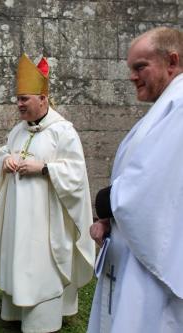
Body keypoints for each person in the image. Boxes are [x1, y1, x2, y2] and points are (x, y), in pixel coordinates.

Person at [0, 54, 95, 333]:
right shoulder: (18, 130)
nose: (19, 104)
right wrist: (4, 161)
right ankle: (17, 313)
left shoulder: (63, 132)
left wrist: (44, 168)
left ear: (43, 99)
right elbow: (5, 151)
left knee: (42, 268)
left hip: (46, 223)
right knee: (19, 261)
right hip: (19, 219)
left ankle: (43, 321)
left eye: (25, 99)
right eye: (18, 98)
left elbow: (76, 174)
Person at [88, 27, 183, 333]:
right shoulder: (166, 106)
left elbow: (153, 188)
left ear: (172, 60)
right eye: (131, 68)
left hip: (153, 265)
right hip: (134, 248)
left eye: (140, 66)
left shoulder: (179, 106)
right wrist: (111, 220)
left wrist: (108, 203)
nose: (132, 76)